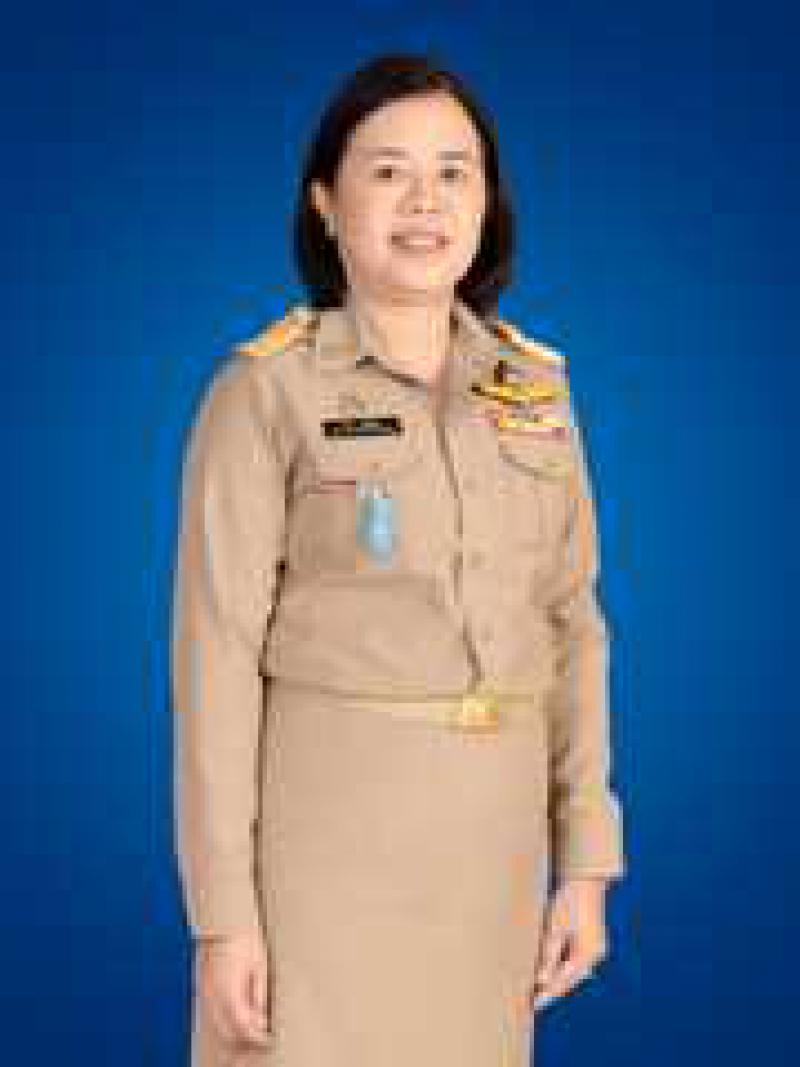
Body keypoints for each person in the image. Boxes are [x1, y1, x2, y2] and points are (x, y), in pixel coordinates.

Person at [171, 52, 626, 1067]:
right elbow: (215, 657)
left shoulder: (535, 390)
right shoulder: (264, 391)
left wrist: (586, 862)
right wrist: (222, 915)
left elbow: (573, 625)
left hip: (491, 856)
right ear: (325, 203)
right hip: (322, 851)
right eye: (387, 171)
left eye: (454, 172)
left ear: (487, 203)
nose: (426, 201)